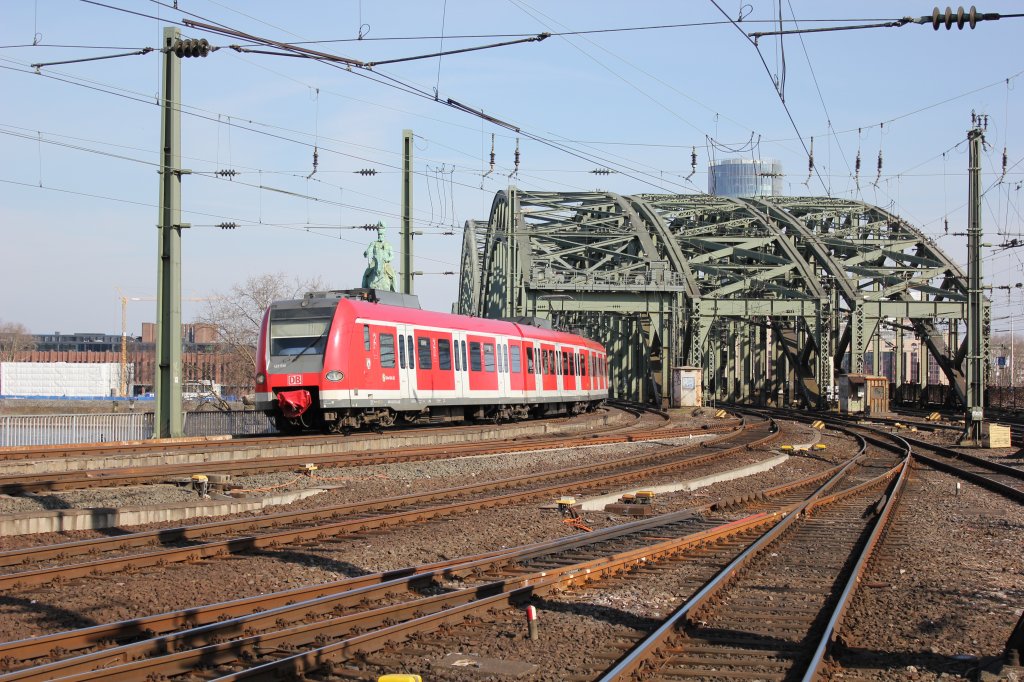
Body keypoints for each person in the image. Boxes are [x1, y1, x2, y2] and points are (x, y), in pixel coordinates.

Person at [362, 221, 397, 291]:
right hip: (374, 263)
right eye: (379, 235)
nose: (380, 236)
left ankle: (394, 290)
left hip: (385, 264)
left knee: (393, 276)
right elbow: (368, 251)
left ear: (384, 235)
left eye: (381, 234)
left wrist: (387, 259)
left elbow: (392, 256)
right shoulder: (374, 243)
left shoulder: (388, 245)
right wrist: (366, 252)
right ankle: (364, 289)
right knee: (366, 274)